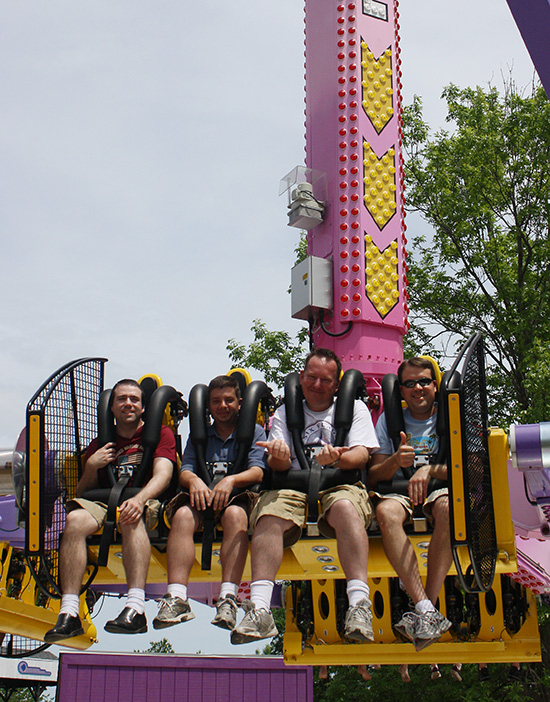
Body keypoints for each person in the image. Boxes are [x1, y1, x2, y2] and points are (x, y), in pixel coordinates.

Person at [231, 348, 379, 645]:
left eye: (326, 380)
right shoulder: (286, 412)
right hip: (293, 487)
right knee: (269, 514)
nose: (317, 385)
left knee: (347, 509)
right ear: (302, 377)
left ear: (337, 385)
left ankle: (359, 604)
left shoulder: (355, 409)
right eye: (312, 377)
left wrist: (338, 458)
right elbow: (277, 464)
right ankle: (260, 609)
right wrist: (279, 456)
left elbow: (362, 454)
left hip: (339, 484)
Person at [44, 379, 176, 642]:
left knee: (130, 518)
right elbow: (82, 493)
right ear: (112, 408)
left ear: (143, 406)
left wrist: (139, 500)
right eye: (121, 399)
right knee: (75, 519)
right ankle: (69, 611)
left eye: (134, 399)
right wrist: (91, 466)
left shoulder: (160, 434)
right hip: (106, 503)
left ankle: (136, 607)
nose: (128, 404)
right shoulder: (100, 443)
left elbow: (163, 474)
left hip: (144, 500)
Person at [152, 375, 265, 632]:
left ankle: (228, 598)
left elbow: (258, 471)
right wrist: (194, 481)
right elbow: (186, 469)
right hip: (201, 497)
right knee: (181, 515)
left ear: (239, 403)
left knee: (236, 515)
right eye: (216, 401)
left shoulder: (254, 432)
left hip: (236, 496)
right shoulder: (201, 436)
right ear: (208, 406)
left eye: (228, 400)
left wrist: (231, 481)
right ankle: (177, 597)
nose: (222, 406)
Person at [369, 357, 452, 650]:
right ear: (401, 390)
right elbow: (374, 475)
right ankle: (427, 610)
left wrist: (430, 469)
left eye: (424, 381)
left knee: (447, 508)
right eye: (410, 383)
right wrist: (395, 460)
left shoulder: (450, 416)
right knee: (384, 511)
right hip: (400, 493)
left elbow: (473, 466)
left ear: (434, 385)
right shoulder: (387, 422)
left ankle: (424, 608)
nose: (418, 388)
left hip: (440, 490)